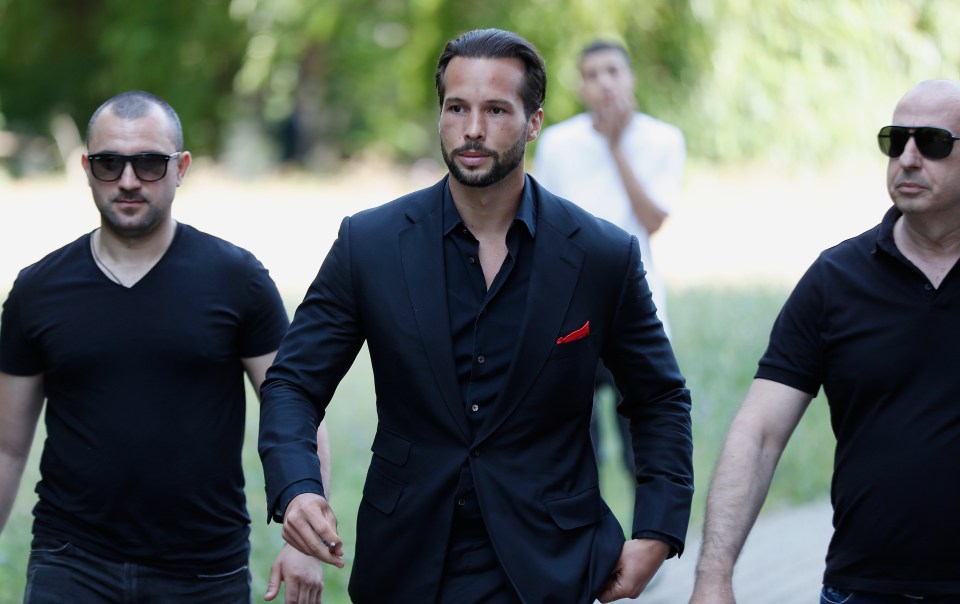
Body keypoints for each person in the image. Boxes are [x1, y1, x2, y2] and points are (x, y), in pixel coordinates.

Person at [258, 28, 694, 604]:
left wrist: (657, 532)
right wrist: (295, 487)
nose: (472, 129)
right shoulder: (370, 243)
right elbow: (292, 381)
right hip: (406, 563)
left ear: (534, 122)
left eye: (496, 110)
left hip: (552, 567)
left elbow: (659, 398)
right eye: (456, 108)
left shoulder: (601, 254)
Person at [0, 90, 330, 603]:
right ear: (86, 168)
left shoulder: (236, 279)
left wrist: (307, 541)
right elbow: (6, 447)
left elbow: (297, 408)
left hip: (203, 572)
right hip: (71, 567)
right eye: (109, 163)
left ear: (182, 168)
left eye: (150, 163)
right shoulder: (38, 289)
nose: (128, 181)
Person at [689, 79, 960, 604]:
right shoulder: (836, 280)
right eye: (894, 140)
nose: (907, 158)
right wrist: (712, 577)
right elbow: (760, 433)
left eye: (931, 142)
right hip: (864, 591)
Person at [534, 40, 685, 477]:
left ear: (631, 77)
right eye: (592, 74)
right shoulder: (560, 143)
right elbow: (546, 226)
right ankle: (587, 545)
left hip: (637, 307)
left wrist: (617, 146)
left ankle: (650, 541)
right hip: (569, 314)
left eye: (612, 71)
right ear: (581, 86)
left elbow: (653, 219)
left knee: (645, 444)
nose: (604, 83)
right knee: (578, 452)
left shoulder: (662, 139)